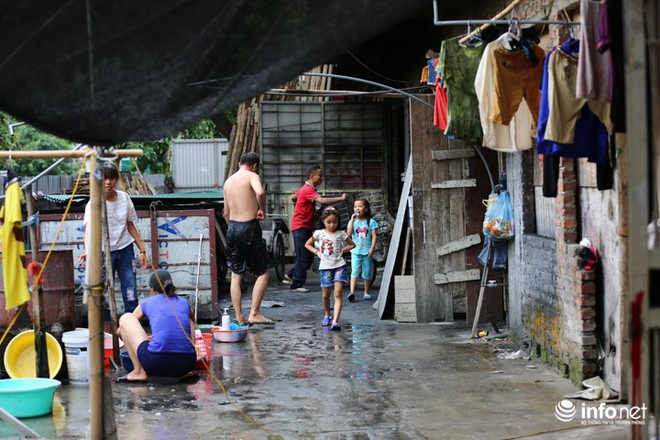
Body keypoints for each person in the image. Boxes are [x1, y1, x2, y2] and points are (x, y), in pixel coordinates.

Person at [80, 162, 148, 314]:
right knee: (102, 290)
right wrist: (88, 251)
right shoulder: (94, 203)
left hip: (125, 250)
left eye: (111, 178)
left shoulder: (124, 198)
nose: (108, 182)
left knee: (130, 287)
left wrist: (142, 250)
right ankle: (105, 328)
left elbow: (130, 224)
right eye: (104, 178)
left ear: (116, 180)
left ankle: (131, 321)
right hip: (103, 252)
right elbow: (89, 229)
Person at [116, 269, 197, 382]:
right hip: (186, 364)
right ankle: (184, 371)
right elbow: (194, 323)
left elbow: (126, 325)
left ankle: (139, 371)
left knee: (126, 318)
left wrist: (120, 333)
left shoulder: (148, 302)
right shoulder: (184, 302)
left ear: (152, 290)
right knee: (189, 319)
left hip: (155, 362)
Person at [223, 151, 274, 326]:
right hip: (248, 227)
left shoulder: (228, 182)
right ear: (255, 165)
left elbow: (226, 213)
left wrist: (234, 226)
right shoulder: (252, 175)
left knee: (236, 274)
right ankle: (254, 313)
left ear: (239, 163)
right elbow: (259, 192)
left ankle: (239, 316)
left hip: (232, 228)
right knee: (264, 271)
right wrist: (262, 208)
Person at [285, 164, 347, 292]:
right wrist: (340, 198)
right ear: (312, 176)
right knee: (303, 256)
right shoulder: (307, 190)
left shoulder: (305, 189)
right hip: (300, 226)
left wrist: (299, 202)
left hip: (305, 226)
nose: (321, 178)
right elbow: (321, 201)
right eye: (320, 175)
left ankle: (290, 275)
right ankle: (296, 285)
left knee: (308, 256)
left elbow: (293, 197)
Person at [304, 207, 355, 331]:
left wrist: (343, 249)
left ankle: (335, 321)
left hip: (339, 266)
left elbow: (353, 244)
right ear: (323, 221)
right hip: (325, 268)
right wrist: (317, 252)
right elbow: (307, 244)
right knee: (326, 295)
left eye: (335, 222)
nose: (332, 225)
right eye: (329, 222)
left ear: (338, 221)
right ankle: (327, 314)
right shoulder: (319, 233)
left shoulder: (341, 234)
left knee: (338, 293)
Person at [346, 198, 379, 302]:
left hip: (367, 251)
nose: (357, 208)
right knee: (354, 271)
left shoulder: (371, 221)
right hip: (355, 251)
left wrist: (372, 248)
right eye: (355, 206)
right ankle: (352, 292)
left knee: (367, 272)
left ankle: (366, 292)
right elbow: (348, 235)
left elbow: (374, 236)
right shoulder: (352, 222)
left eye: (360, 206)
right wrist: (352, 221)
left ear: (366, 209)